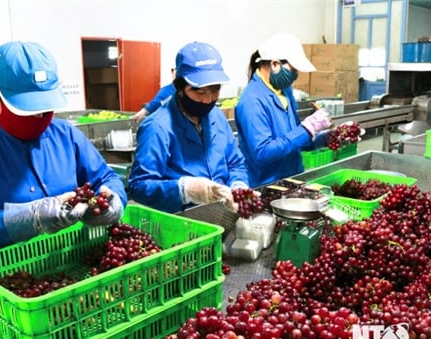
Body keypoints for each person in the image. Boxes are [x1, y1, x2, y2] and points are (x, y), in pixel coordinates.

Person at [0, 41, 127, 254]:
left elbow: (106, 178)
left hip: (73, 262)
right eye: (27, 110)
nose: (40, 117)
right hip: (8, 276)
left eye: (46, 108)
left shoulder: (67, 136)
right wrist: (22, 220)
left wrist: (114, 199)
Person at [128, 41, 250, 214]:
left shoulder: (215, 115)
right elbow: (139, 186)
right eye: (200, 92)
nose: (208, 100)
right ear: (180, 88)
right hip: (182, 221)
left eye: (215, 90)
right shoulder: (157, 127)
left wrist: (238, 185)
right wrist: (184, 190)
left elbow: (235, 163)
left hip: (222, 215)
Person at [234, 32, 331, 187]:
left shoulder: (285, 91)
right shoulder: (252, 101)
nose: (295, 75)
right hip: (267, 187)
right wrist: (307, 129)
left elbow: (295, 141)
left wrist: (326, 138)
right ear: (274, 64)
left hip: (293, 180)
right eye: (293, 70)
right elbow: (263, 153)